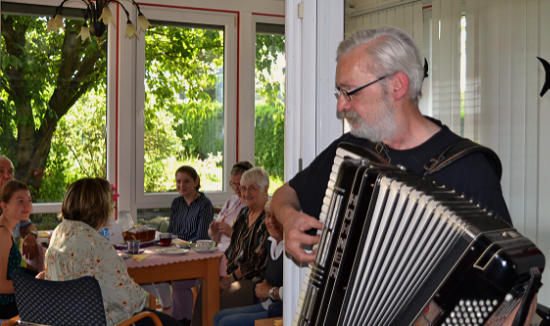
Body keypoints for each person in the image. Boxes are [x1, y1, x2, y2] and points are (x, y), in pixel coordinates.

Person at [271, 27, 536, 325]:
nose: (341, 105)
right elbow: (285, 194)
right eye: (339, 93)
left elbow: (514, 287)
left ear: (396, 86)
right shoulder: (350, 152)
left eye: (350, 91)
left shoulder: (469, 168)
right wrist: (289, 217)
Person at [43, 178, 180, 326]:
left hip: (66, 318)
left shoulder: (59, 233)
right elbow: (132, 301)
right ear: (100, 208)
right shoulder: (96, 244)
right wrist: (145, 295)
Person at [149, 165, 214, 325]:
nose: (181, 186)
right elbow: (172, 232)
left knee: (176, 281)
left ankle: (181, 320)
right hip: (176, 252)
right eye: (178, 182)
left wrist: (179, 245)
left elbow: (201, 237)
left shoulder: (205, 205)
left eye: (186, 181)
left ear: (196, 181)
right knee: (154, 273)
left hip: (194, 256)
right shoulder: (177, 203)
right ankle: (170, 311)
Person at [214, 199, 283, 326]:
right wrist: (266, 284)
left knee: (225, 322)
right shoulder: (271, 242)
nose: (270, 221)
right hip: (268, 303)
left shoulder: (290, 248)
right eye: (268, 216)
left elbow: (294, 292)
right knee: (218, 316)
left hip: (281, 312)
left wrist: (270, 291)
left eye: (276, 217)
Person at [221, 167, 270, 291]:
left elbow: (257, 262)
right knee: (206, 286)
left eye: (252, 188)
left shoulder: (269, 218)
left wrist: (231, 278)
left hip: (255, 283)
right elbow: (233, 247)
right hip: (233, 276)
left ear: (265, 189)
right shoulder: (244, 213)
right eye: (243, 188)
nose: (246, 193)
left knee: (214, 296)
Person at [0, 156, 40, 270]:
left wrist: (31, 235)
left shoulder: (15, 204)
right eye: (1, 172)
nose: (7, 176)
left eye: (10, 172)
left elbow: (28, 225)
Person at [0, 180, 32, 319]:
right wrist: (33, 286)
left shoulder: (9, 229)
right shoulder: (3, 234)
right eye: (20, 201)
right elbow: (0, 286)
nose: (27, 206)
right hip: (4, 308)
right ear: (4, 206)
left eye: (29, 201)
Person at [209, 161, 253, 252]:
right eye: (233, 184)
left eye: (239, 184)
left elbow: (252, 242)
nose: (236, 188)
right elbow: (216, 239)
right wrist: (213, 231)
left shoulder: (253, 205)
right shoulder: (231, 201)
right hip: (220, 250)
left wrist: (231, 232)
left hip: (236, 254)